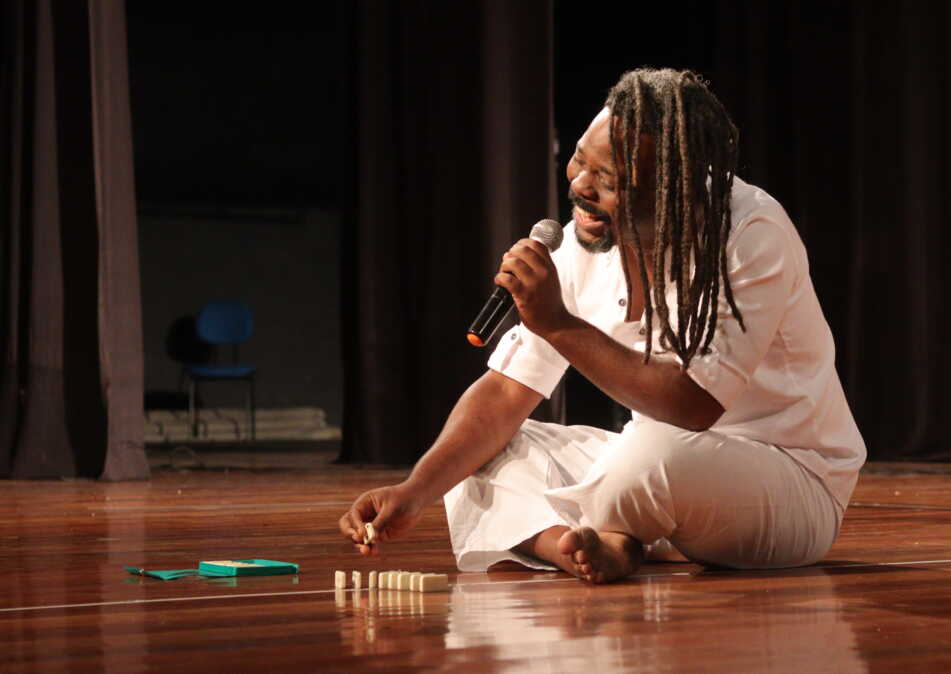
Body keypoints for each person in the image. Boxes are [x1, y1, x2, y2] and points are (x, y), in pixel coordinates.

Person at [338, 68, 866, 584]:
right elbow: (504, 391)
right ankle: (586, 546)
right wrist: (414, 492)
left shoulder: (750, 232)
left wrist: (558, 324)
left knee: (653, 458)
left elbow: (694, 407)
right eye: (579, 160)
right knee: (480, 449)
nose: (580, 185)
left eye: (608, 180)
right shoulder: (579, 243)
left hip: (786, 481)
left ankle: (613, 526)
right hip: (650, 473)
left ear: (672, 192)